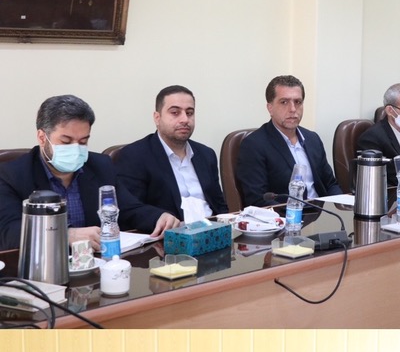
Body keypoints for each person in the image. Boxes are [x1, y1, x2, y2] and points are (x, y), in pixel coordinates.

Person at [0, 95, 178, 251]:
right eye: (66, 141)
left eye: (83, 141)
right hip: (42, 268)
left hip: (94, 264)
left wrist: (158, 217)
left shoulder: (100, 165)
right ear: (42, 138)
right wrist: (66, 234)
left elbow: (129, 209)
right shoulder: (12, 175)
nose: (76, 149)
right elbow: (9, 232)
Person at [114, 85, 229, 225]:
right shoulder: (134, 156)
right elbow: (129, 210)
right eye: (175, 112)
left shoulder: (206, 154)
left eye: (189, 113)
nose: (185, 119)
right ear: (157, 118)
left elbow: (220, 206)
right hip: (171, 234)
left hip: (213, 231)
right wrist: (159, 217)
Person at [236, 74, 341, 208]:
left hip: (322, 214)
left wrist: (341, 207)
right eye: (284, 102)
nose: (292, 109)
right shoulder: (254, 145)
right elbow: (258, 199)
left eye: (298, 102)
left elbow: (331, 185)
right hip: (285, 216)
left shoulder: (312, 139)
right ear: (270, 108)